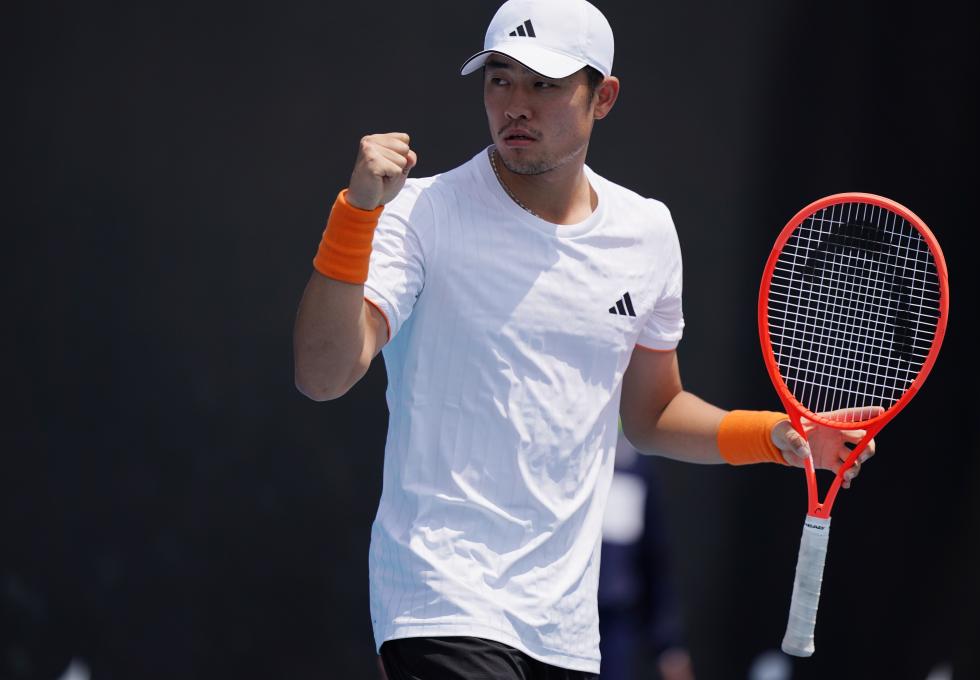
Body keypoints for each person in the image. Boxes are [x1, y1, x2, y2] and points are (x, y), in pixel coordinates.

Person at [292, 0, 876, 678]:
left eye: (544, 84)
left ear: (604, 97)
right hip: (441, 599)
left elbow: (653, 413)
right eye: (500, 79)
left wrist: (777, 436)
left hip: (566, 629)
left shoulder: (646, 232)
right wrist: (356, 215)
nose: (515, 104)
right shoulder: (417, 214)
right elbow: (322, 375)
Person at [599, 429, 694, 680]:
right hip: (547, 617)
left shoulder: (635, 467)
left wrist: (669, 645)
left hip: (614, 623)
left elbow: (654, 558)